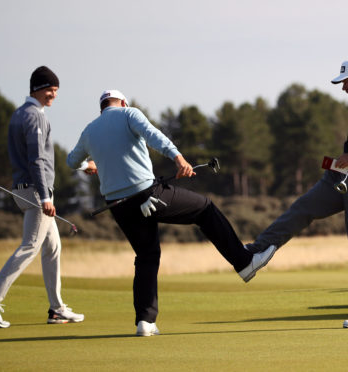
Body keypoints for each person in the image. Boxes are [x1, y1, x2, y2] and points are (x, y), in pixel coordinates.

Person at [66, 90, 275, 336]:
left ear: (102, 108)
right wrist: (178, 158)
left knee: (146, 255)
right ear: (123, 103)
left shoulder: (90, 131)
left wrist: (88, 165)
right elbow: (153, 136)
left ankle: (145, 321)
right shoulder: (129, 113)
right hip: (148, 194)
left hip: (118, 206)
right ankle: (244, 262)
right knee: (205, 209)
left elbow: (71, 161)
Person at [245, 57, 348, 328]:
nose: (343, 89)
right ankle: (257, 253)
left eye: (346, 83)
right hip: (344, 179)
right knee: (302, 208)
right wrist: (346, 159)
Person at [0, 66, 85, 328]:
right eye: (51, 90)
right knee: (30, 246)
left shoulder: (19, 114)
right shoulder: (36, 116)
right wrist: (45, 196)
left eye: (56, 90)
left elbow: (42, 157)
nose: (54, 95)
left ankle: (56, 308)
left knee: (53, 247)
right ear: (37, 88)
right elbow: (37, 159)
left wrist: (82, 166)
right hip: (35, 191)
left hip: (23, 189)